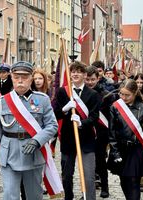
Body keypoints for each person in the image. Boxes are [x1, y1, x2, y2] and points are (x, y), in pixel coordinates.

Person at [0, 61, 58, 200]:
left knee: (34, 195)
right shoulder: (3, 101)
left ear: (31, 78)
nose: (20, 80)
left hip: (33, 154)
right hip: (9, 155)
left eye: (24, 77)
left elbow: (52, 126)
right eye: (17, 76)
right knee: (9, 195)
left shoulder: (42, 100)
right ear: (11, 77)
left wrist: (37, 141)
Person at [54, 61, 100, 200]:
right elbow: (56, 113)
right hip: (68, 140)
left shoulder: (92, 94)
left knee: (88, 176)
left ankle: (89, 198)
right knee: (67, 175)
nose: (75, 74)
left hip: (87, 140)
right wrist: (65, 109)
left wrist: (81, 122)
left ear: (84, 75)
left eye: (78, 72)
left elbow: (94, 117)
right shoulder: (63, 92)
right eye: (73, 71)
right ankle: (68, 198)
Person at [107, 79, 143, 200]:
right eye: (121, 94)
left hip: (137, 149)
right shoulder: (115, 107)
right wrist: (114, 152)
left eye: (127, 95)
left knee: (134, 180)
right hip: (120, 149)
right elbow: (112, 132)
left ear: (135, 93)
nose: (123, 97)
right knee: (124, 180)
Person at [85, 66, 110, 198]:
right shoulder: (80, 94)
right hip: (86, 131)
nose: (90, 82)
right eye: (87, 79)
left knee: (100, 161)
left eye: (92, 79)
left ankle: (105, 187)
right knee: (87, 163)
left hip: (101, 132)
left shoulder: (105, 94)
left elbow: (109, 115)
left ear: (98, 78)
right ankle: (87, 190)